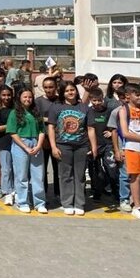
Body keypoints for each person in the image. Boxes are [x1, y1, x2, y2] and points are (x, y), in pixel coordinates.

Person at [46, 80, 93, 216]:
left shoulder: (84, 107)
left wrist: (93, 146)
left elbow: (90, 129)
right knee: (65, 175)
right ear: (62, 93)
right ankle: (67, 203)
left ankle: (79, 203)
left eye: (72, 90)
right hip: (63, 145)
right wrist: (53, 147)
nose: (70, 93)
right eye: (67, 91)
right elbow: (51, 127)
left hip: (81, 146)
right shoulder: (56, 107)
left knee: (79, 176)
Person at [7, 89, 47, 214]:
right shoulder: (14, 113)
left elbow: (42, 130)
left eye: (30, 97)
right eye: (25, 97)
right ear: (20, 98)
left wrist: (39, 145)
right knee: (21, 175)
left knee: (38, 175)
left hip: (35, 143)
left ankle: (39, 202)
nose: (27, 99)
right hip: (21, 144)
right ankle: (22, 202)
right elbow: (12, 132)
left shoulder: (36, 113)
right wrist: (25, 147)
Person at [118, 83, 140, 221]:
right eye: (136, 95)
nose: (139, 97)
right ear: (127, 96)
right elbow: (126, 133)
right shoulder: (124, 110)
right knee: (136, 177)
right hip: (133, 147)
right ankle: (137, 207)